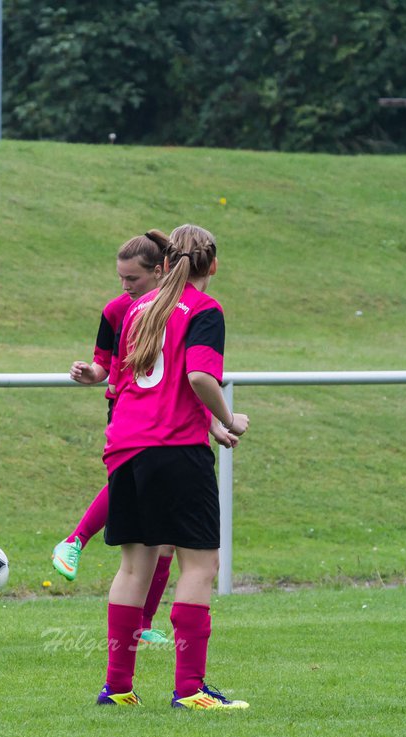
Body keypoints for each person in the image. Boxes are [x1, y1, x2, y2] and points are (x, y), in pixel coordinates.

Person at [96, 224, 251, 710]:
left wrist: (209, 426)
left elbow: (143, 386)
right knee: (201, 564)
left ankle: (117, 688)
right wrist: (229, 417)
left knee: (133, 566)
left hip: (125, 446)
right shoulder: (205, 309)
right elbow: (200, 375)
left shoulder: (137, 308)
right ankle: (190, 689)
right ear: (213, 266)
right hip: (173, 451)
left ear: (165, 264)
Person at [53, 231, 177, 647]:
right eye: (121, 278)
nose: (125, 287)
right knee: (127, 496)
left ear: (160, 271)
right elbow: (103, 366)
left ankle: (143, 624)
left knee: (165, 539)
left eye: (133, 279)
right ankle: (75, 540)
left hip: (171, 416)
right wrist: (89, 373)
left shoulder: (182, 309)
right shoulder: (116, 310)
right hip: (129, 413)